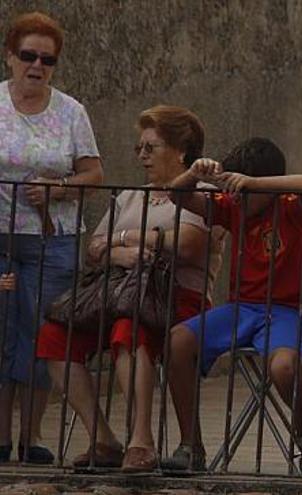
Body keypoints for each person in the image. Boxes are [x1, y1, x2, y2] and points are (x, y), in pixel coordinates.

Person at [37, 105, 223, 471]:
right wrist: (124, 253)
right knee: (53, 337)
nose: (141, 156)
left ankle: (142, 441)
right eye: (139, 148)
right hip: (119, 291)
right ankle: (103, 438)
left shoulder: (200, 193)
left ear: (180, 150)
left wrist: (125, 239)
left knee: (129, 328)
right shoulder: (130, 196)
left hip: (176, 299)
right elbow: (94, 248)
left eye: (150, 147)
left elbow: (189, 244)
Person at [164, 137, 302, 475]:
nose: (237, 195)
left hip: (289, 311)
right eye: (234, 187)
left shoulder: (292, 207)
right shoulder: (232, 206)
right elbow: (177, 195)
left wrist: (255, 183)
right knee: (178, 339)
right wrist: (195, 172)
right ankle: (189, 445)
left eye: (244, 188)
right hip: (243, 308)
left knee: (284, 367)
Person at [0, 11, 104, 464]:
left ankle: (32, 436)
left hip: (53, 239)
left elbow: (94, 171)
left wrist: (58, 188)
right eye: (28, 56)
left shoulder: (70, 111)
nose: (36, 66)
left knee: (43, 334)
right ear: (9, 57)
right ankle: (1, 437)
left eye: (47, 59)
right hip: (1, 237)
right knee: (3, 331)